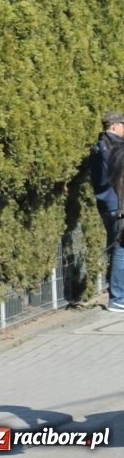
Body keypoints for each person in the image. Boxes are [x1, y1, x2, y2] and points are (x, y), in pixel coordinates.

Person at [89, 111, 124, 312]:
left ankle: (118, 294)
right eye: (123, 125)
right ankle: (117, 298)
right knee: (120, 248)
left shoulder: (98, 147)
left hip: (106, 204)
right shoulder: (112, 147)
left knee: (116, 247)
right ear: (114, 126)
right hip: (118, 203)